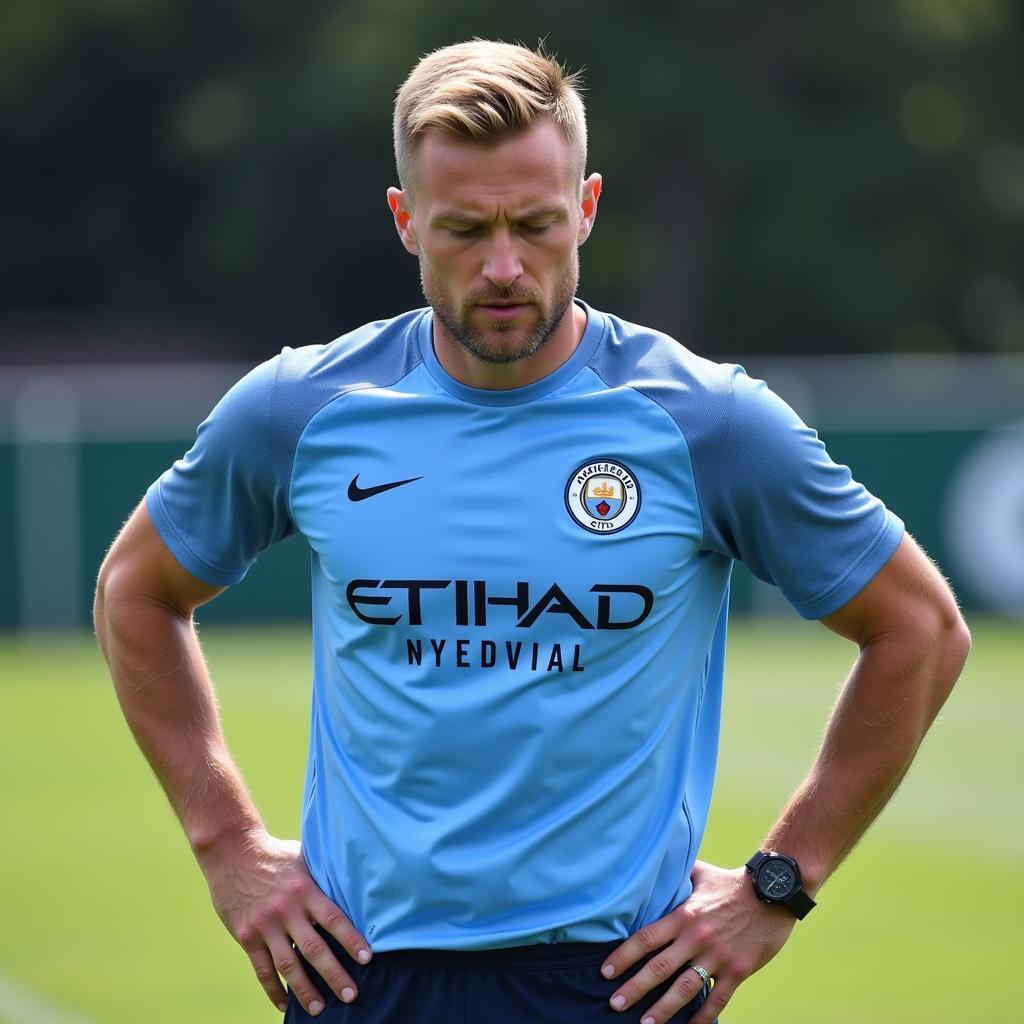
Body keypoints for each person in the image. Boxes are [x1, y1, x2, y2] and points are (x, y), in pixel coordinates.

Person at [94, 39, 970, 1024]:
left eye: (537, 225)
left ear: (586, 208)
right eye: (465, 229)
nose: (504, 266)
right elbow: (136, 589)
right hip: (361, 975)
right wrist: (227, 846)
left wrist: (780, 881)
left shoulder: (704, 422)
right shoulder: (305, 410)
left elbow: (920, 630)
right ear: (404, 221)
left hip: (617, 984)